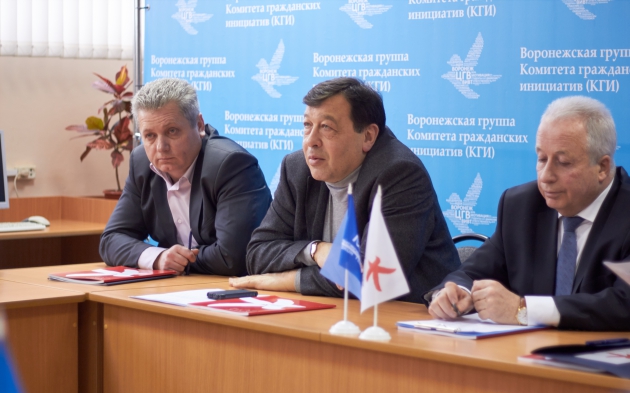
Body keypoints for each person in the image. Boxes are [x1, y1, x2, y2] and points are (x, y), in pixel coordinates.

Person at [230, 77, 460, 303]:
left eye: (326, 127)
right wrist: (317, 251)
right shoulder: (296, 168)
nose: (311, 141)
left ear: (368, 136)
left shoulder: (400, 174)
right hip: (332, 311)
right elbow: (258, 253)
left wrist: (286, 280)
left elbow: (370, 277)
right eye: (307, 125)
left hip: (407, 316)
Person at [428, 96, 630, 331]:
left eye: (563, 162)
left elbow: (623, 303)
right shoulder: (521, 206)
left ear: (602, 167)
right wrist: (456, 293)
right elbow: (473, 272)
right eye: (542, 158)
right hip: (526, 350)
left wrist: (523, 310)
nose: (545, 176)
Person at [100, 78, 272, 275]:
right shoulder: (141, 163)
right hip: (183, 285)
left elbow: (232, 258)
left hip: (237, 287)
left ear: (199, 125)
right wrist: (159, 258)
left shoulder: (232, 165)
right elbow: (111, 240)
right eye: (150, 136)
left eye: (172, 131)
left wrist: (176, 261)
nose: (161, 147)